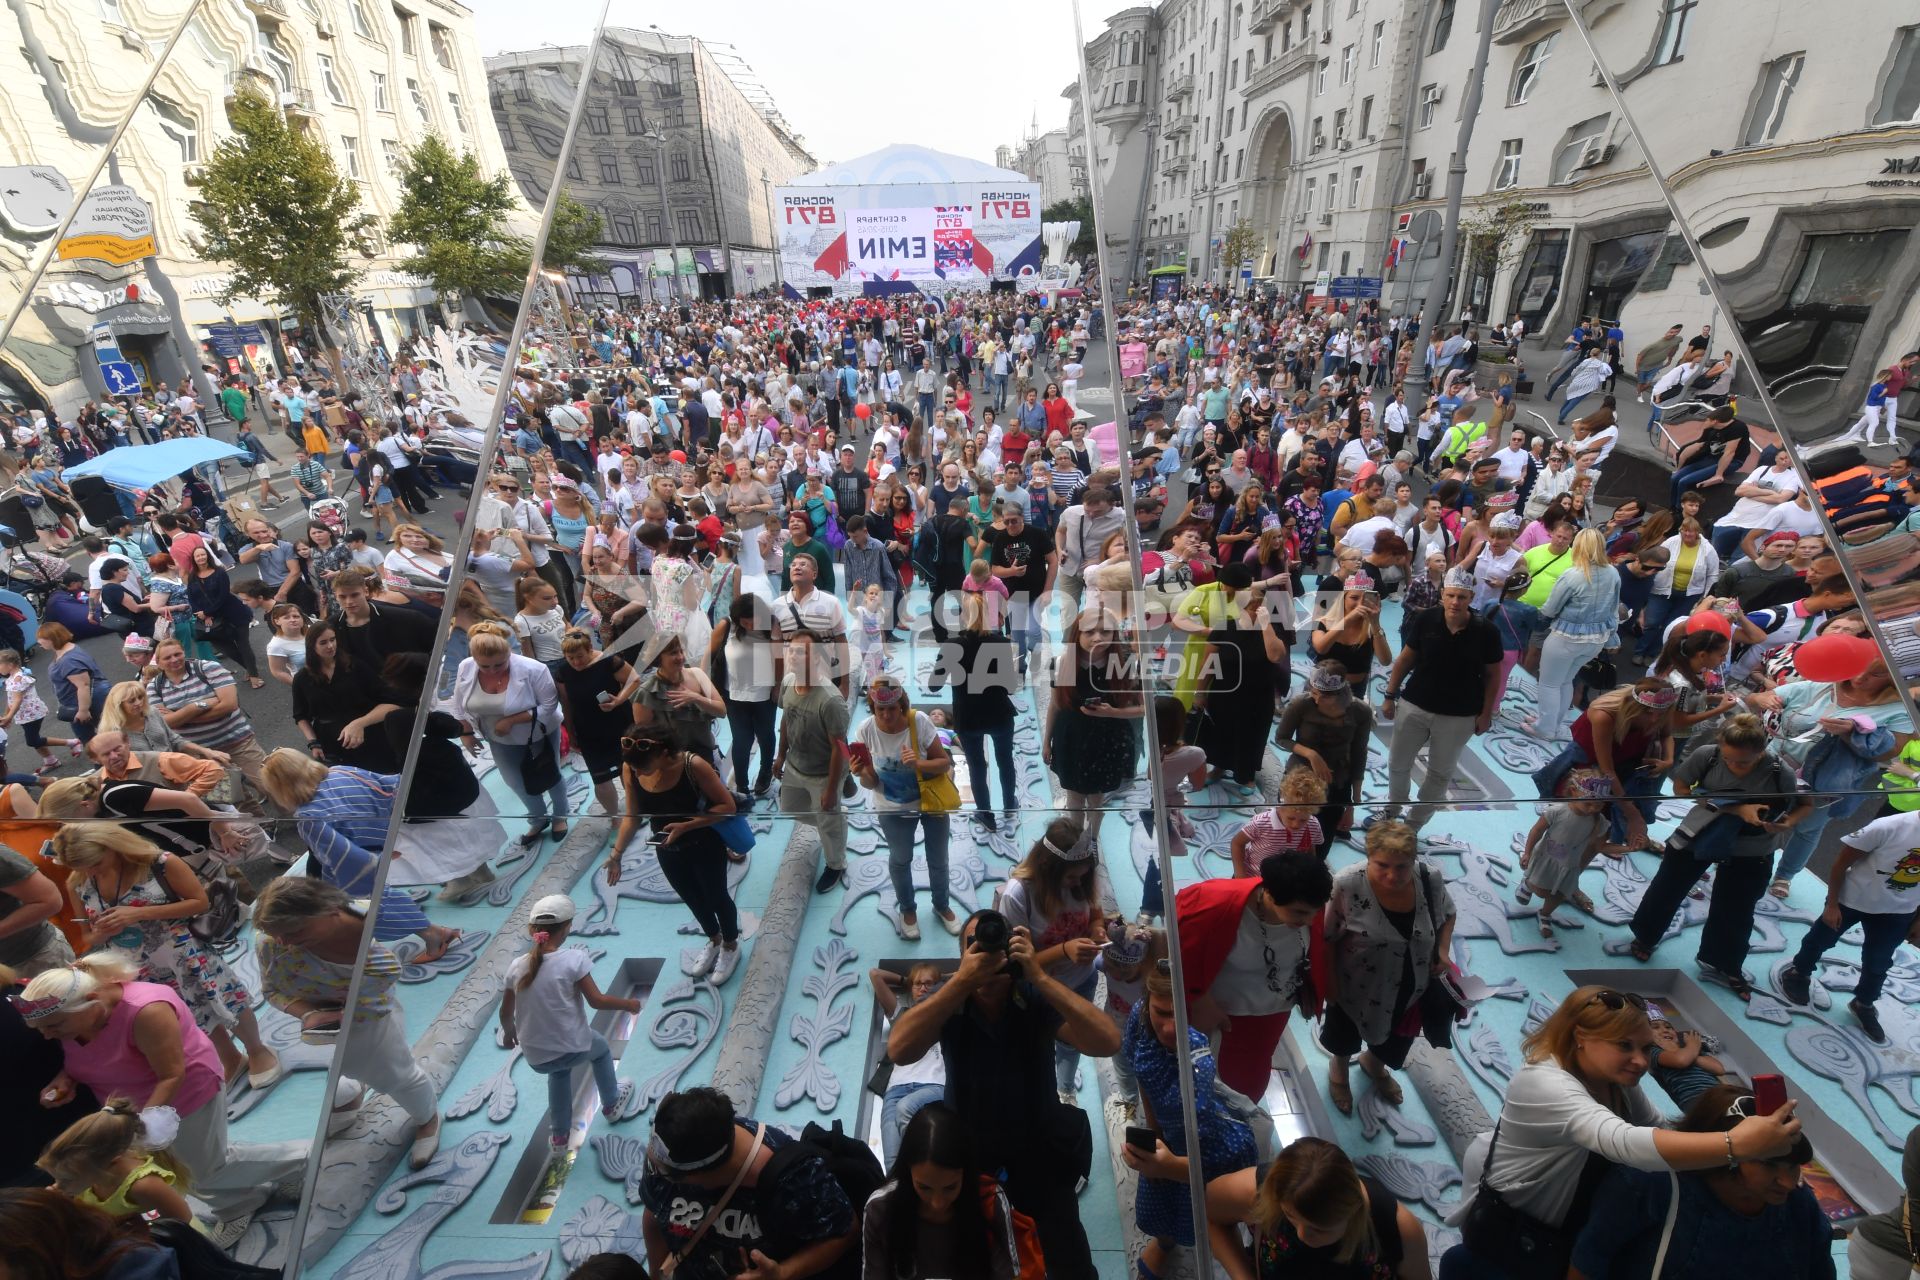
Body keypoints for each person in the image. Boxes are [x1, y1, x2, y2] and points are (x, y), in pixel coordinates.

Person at [1442, 985, 1804, 1279]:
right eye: (1624, 1046)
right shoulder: (1542, 1082)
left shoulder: (1617, 1083)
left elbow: (1658, 1129)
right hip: (1508, 1243)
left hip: (1553, 1242)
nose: (1642, 1061)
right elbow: (1626, 1143)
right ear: (1580, 1037)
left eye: (1646, 1048)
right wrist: (1735, 1145)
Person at [886, 909, 1116, 1280]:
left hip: (1040, 1156)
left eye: (993, 942)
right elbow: (899, 1049)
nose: (983, 950)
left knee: (1070, 1265)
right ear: (962, 957)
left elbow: (1107, 1041)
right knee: (978, 1265)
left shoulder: (1031, 996)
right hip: (972, 1164)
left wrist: (1039, 974)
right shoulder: (951, 1001)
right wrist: (960, 983)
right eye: (972, 943)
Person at [17, 955, 308, 1228]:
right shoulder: (74, 1018)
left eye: (53, 1026)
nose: (47, 1035)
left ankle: (302, 1158)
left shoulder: (147, 1011)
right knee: (188, 1166)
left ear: (92, 1001)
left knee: (205, 1168)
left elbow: (172, 1075)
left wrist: (136, 1128)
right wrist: (67, 1077)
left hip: (185, 1094)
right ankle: (239, 1202)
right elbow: (91, 1054)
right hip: (136, 1107)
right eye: (40, 1028)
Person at [48, 824, 279, 1088]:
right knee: (188, 1012)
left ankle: (258, 1049)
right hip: (134, 964)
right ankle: (230, 1058)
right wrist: (101, 932)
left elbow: (199, 902)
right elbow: (86, 937)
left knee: (223, 997)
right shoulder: (77, 882)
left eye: (96, 863)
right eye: (83, 867)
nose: (92, 872)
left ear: (112, 846)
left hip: (182, 950)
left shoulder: (159, 863)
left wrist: (138, 913)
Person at [250, 876, 440, 1170]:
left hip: (370, 1017)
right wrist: (307, 1013)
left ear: (330, 911)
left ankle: (428, 1119)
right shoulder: (272, 941)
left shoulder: (369, 928)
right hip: (322, 1028)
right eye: (276, 934)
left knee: (394, 1073)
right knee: (344, 1069)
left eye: (295, 931)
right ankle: (351, 1093)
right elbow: (271, 990)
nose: (284, 942)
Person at [1569, 1084, 1832, 1280]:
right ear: (1728, 1153)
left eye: (1792, 1166)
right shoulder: (1650, 1185)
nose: (1787, 1182)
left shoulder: (1799, 1206)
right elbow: (1588, 1264)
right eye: (1769, 1164)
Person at [1119, 957, 1259, 1280]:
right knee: (1154, 1205)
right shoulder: (1139, 1020)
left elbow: (1202, 1152)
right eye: (1161, 1013)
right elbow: (1142, 1077)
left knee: (1194, 1215)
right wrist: (1156, 1133)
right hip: (1170, 1139)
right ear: (1148, 1003)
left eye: (1177, 1014)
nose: (1169, 1027)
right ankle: (1164, 1243)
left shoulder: (1197, 1061)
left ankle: (1173, 1241)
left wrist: (1167, 1165)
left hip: (1212, 1152)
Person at [637, 1086, 859, 1280]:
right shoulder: (668, 1150)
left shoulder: (795, 1178)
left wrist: (783, 1273)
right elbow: (654, 1213)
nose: (654, 1172)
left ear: (700, 1174)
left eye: (665, 1174)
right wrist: (656, 1274)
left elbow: (845, 1230)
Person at [259, 749, 458, 961]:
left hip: (358, 864)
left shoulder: (309, 817)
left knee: (365, 909)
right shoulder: (342, 772)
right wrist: (386, 838)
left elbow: (340, 857)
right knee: (378, 900)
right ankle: (433, 932)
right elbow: (390, 786)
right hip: (381, 842)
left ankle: (433, 934)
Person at [1174, 848, 1334, 1102]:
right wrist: (1199, 1000)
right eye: (1300, 913)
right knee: (1206, 1084)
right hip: (1222, 1017)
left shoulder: (1308, 903)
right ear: (1268, 893)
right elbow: (1177, 954)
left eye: (1316, 911)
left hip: (1272, 1015)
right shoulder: (1214, 903)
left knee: (1249, 1087)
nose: (1310, 920)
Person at [1321, 821, 1456, 1114]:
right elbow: (1327, 937)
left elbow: (1448, 914)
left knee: (1397, 1034)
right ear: (1368, 858)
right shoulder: (1347, 883)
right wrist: (1329, 984)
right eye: (1382, 865)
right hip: (1355, 983)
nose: (1392, 875)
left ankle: (1374, 1063)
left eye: (1402, 867)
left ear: (1414, 861)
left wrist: (1442, 951)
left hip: (1412, 983)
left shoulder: (1429, 878)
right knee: (1343, 1033)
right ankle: (1339, 1070)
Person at [500, 895, 638, 1150]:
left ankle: (560, 1136)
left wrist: (509, 1033)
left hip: (538, 1058)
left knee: (558, 1075)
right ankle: (611, 1103)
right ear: (566, 929)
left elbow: (506, 1012)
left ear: (533, 931)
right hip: (575, 1047)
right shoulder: (573, 959)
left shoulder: (516, 967)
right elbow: (596, 1001)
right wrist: (628, 1004)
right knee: (601, 1051)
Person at [605, 726, 742, 983]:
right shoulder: (632, 767)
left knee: (716, 896)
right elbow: (632, 816)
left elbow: (728, 806)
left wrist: (687, 825)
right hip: (667, 847)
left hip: (704, 841)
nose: (636, 773)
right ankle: (713, 939)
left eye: (643, 768)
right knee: (690, 897)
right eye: (633, 769)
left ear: (663, 753)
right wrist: (617, 854)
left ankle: (731, 944)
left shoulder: (694, 766)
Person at [1776, 802, 1920, 1044]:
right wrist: (1832, 904)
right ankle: (1798, 973)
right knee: (1820, 939)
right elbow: (1841, 863)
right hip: (1852, 899)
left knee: (1879, 962)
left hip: (1898, 911)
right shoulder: (1890, 826)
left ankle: (1864, 1003)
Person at [1376, 568, 1501, 834]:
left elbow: (1493, 675)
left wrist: (1486, 713)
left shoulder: (1487, 632)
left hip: (1459, 714)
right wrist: (1389, 695)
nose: (1456, 602)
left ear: (1471, 598)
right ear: (1442, 595)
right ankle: (1393, 807)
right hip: (1415, 704)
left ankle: (1414, 823)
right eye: (1451, 595)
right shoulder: (1426, 620)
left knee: (1440, 772)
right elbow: (1406, 659)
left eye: (1462, 597)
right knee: (1398, 763)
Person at [1205, 1136, 1433, 1280]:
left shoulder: (1398, 1229)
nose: (1302, 1235)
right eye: (1290, 1217)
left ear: (1352, 1212)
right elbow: (1211, 1215)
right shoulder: (1260, 1191)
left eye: (1319, 1228)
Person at [860, 1102, 1024, 1280]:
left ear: (965, 1173)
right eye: (924, 1188)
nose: (938, 1203)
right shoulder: (880, 1209)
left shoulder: (991, 1202)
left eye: (950, 1187)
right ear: (908, 1172)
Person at [850, 677, 959, 942]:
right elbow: (872, 782)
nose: (886, 715)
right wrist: (861, 772)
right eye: (880, 709)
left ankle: (941, 904)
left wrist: (919, 763)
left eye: (892, 708)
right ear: (873, 708)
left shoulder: (918, 721)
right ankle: (907, 909)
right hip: (891, 807)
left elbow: (945, 763)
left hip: (929, 801)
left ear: (902, 706)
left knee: (938, 859)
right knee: (900, 859)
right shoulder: (865, 731)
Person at [450, 626, 570, 848]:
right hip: (497, 738)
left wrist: (512, 720)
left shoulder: (534, 669)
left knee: (550, 773)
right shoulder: (465, 668)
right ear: (473, 658)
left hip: (538, 733)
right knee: (515, 781)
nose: (493, 671)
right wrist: (465, 732)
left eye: (500, 664)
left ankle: (560, 815)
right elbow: (458, 703)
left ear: (509, 653)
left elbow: (549, 706)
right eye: (484, 666)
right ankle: (538, 818)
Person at [775, 629, 852, 894]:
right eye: (792, 650)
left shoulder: (830, 700)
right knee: (792, 807)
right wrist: (780, 755)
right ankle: (831, 820)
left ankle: (836, 863)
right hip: (796, 766)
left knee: (829, 820)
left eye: (802, 652)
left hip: (823, 773)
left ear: (817, 658)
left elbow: (840, 749)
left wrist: (831, 790)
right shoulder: (788, 682)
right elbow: (786, 720)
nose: (794, 656)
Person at [36, 1095, 194, 1223]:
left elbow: (182, 1217)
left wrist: (135, 1223)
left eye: (65, 1180)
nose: (57, 1186)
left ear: (110, 1161)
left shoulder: (143, 1186)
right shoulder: (92, 1176)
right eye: (57, 1179)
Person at [1516, 769, 1627, 938]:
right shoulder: (1557, 811)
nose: (1592, 809)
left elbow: (1601, 846)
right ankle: (1527, 885)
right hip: (1547, 858)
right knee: (1539, 887)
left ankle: (1545, 914)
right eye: (1588, 803)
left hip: (1569, 866)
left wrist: (1629, 848)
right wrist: (1527, 852)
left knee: (1559, 895)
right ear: (1574, 792)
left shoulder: (1600, 822)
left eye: (1598, 805)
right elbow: (1536, 831)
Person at [1533, 529, 1620, 738]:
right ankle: (1554, 724)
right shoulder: (1613, 572)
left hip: (1566, 637)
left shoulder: (1573, 575)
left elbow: (1550, 609)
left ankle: (1544, 728)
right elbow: (1614, 609)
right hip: (1596, 639)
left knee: (1549, 683)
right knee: (1566, 681)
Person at [145, 637, 267, 785]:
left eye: (178, 654)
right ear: (158, 663)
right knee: (234, 799)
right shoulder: (154, 687)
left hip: (238, 743)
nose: (174, 659)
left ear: (184, 653)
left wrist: (180, 717)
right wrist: (195, 707)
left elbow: (229, 705)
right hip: (202, 755)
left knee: (272, 786)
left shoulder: (209, 668)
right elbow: (165, 722)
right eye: (167, 657)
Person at [945, 593, 1019, 829]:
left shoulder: (953, 646)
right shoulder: (1000, 642)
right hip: (999, 713)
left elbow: (934, 684)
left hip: (968, 717)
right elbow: (1009, 686)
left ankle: (986, 815)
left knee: (977, 766)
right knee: (1005, 761)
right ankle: (1009, 805)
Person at [291, 619, 403, 772]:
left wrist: (359, 723)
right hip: (332, 746)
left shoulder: (355, 666)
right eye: (323, 642)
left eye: (332, 639)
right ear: (311, 646)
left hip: (371, 738)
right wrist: (313, 743)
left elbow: (391, 702)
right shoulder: (301, 678)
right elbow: (300, 715)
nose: (330, 646)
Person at [551, 628, 639, 818]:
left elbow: (634, 679)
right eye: (570, 657)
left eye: (580, 656)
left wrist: (619, 700)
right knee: (600, 778)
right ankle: (613, 815)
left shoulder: (608, 661)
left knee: (628, 770)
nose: (576, 662)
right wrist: (571, 732)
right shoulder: (563, 673)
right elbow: (566, 703)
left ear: (590, 648)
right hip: (588, 729)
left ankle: (634, 810)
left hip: (619, 724)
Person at [184, 545, 262, 687]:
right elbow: (191, 598)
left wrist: (207, 613)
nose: (201, 558)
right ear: (193, 559)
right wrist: (201, 614)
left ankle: (254, 675)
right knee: (228, 649)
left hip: (234, 614)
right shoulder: (192, 576)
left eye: (203, 554)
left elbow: (223, 596)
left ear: (208, 555)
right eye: (197, 556)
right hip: (210, 620)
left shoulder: (219, 572)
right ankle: (249, 669)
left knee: (243, 645)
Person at [39, 623, 107, 746]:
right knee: (96, 735)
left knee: (100, 737)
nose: (39, 641)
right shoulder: (66, 650)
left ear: (52, 639)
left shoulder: (69, 660)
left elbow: (83, 686)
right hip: (82, 702)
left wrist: (83, 710)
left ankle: (105, 762)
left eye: (41, 638)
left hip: (88, 702)